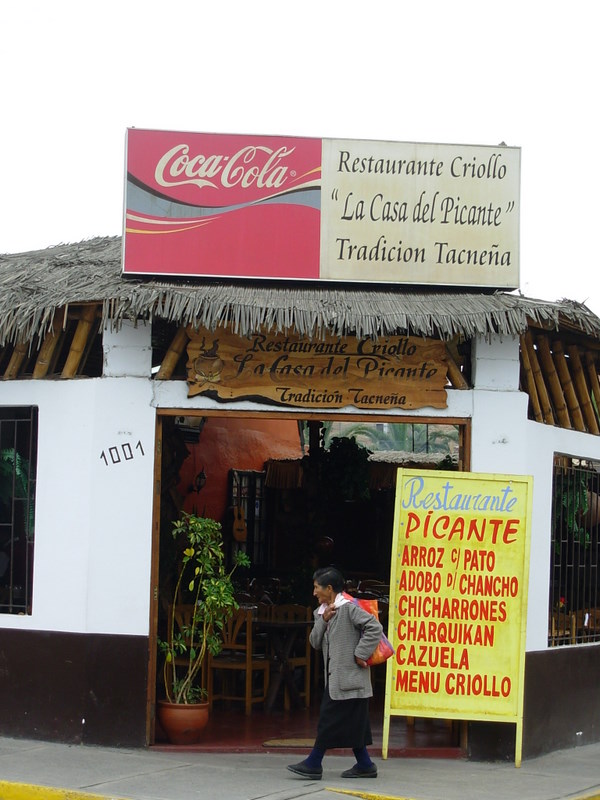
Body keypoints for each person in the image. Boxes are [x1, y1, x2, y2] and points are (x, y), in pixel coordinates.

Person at [287, 565, 383, 780]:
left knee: (328, 720)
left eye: (316, 588)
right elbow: (314, 643)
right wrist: (324, 620)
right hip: (337, 679)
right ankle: (365, 765)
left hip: (350, 678)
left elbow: (374, 628)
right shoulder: (322, 612)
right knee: (354, 725)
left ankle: (314, 763)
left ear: (329, 589)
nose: (314, 593)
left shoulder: (349, 609)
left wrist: (360, 653)